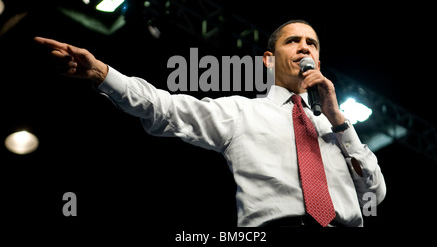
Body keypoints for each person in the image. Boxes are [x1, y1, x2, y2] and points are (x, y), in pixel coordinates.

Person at [34, 19, 386, 227]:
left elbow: (374, 194)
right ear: (268, 59)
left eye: (311, 43)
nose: (304, 47)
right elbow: (164, 108)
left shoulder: (337, 130)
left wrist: (338, 119)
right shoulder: (240, 112)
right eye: (293, 41)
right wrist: (100, 72)